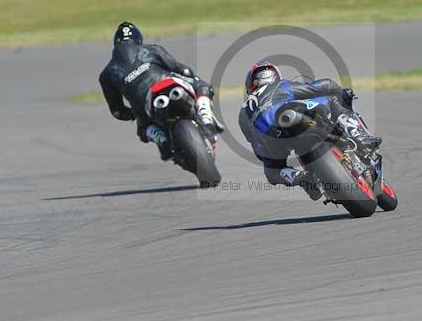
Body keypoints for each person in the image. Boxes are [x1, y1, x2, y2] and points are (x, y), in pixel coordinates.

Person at [238, 60, 381, 200]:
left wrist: (271, 159)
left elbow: (257, 148)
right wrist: (341, 93)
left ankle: (302, 179)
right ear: (275, 76)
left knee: (272, 173)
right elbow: (324, 85)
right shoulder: (281, 86)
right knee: (331, 98)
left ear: (250, 85)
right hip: (292, 117)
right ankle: (358, 134)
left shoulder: (243, 113)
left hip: (272, 141)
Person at [99, 22, 223, 160]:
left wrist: (132, 114)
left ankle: (161, 139)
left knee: (143, 130)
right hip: (166, 83)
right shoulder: (151, 49)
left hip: (143, 105)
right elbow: (180, 69)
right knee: (202, 87)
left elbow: (117, 111)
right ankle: (206, 118)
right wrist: (191, 77)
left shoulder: (106, 74)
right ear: (139, 40)